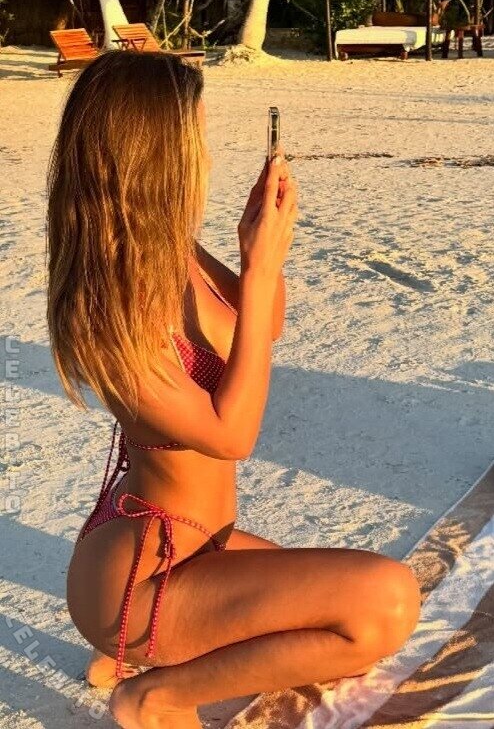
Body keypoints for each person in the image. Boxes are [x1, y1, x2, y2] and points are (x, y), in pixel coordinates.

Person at [46, 50, 421, 729]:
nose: (207, 160)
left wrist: (258, 252)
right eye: (197, 140)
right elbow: (232, 434)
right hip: (140, 581)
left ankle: (143, 660)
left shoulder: (170, 249)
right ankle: (154, 694)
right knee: (384, 601)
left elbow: (262, 324)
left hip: (199, 547)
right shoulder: (111, 306)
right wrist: (261, 269)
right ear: (157, 156)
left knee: (344, 619)